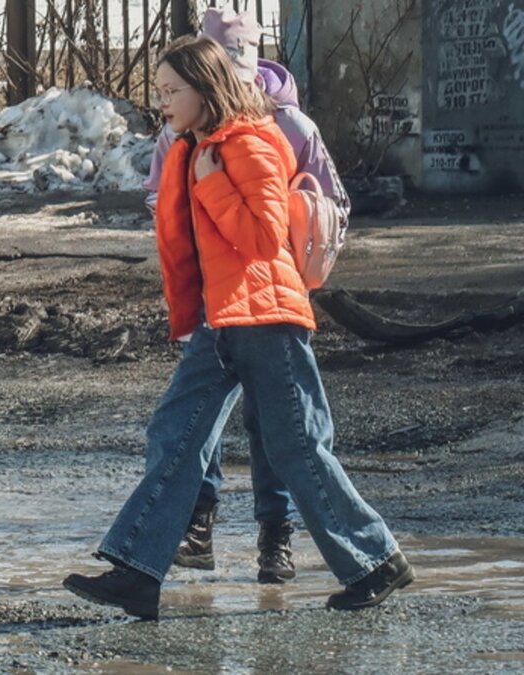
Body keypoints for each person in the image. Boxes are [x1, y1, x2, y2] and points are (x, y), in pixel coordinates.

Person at [62, 36, 412, 620]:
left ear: (206, 88)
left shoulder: (250, 142)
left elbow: (261, 240)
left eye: (172, 90)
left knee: (298, 449)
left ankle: (375, 561)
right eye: (159, 90)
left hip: (267, 318)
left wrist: (213, 181)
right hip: (219, 322)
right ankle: (138, 571)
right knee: (174, 435)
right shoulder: (194, 148)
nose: (162, 101)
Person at [143, 8, 351, 584]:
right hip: (215, 306)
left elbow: (310, 216)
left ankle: (280, 540)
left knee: (277, 433)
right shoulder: (180, 133)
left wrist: (302, 269)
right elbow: (164, 207)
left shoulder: (280, 129)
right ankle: (188, 533)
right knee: (189, 427)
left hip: (264, 304)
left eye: (238, 58)